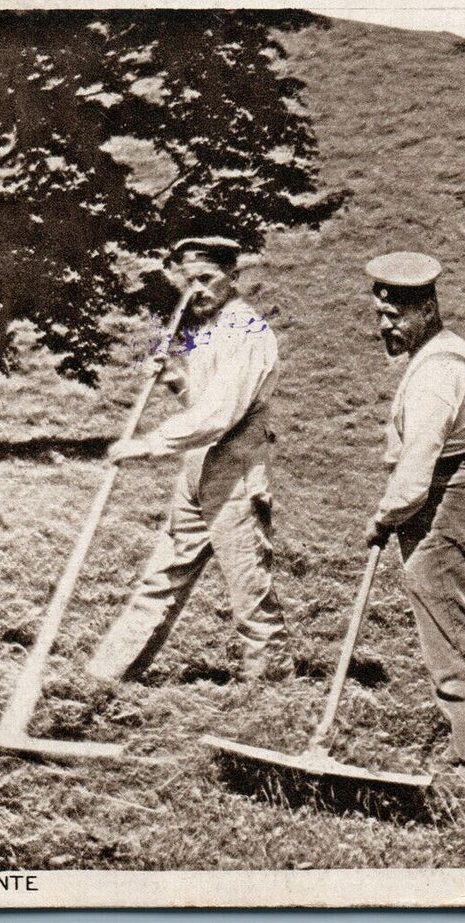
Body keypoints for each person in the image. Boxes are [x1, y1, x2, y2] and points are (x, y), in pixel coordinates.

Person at [87, 236, 288, 685]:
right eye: (188, 279)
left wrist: (147, 444)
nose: (196, 289)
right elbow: (204, 403)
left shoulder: (248, 330)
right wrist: (175, 380)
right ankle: (106, 678)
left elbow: (220, 416)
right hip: (197, 472)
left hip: (235, 475)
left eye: (207, 279)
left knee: (248, 590)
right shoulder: (210, 328)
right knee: (160, 578)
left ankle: (271, 693)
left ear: (233, 277)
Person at [361, 251, 465, 793]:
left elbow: (418, 462)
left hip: (445, 505)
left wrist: (385, 515)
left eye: (396, 315)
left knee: (456, 640)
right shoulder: (444, 356)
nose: (386, 326)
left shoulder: (436, 373)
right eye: (380, 315)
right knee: (454, 635)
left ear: (427, 307)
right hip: (458, 497)